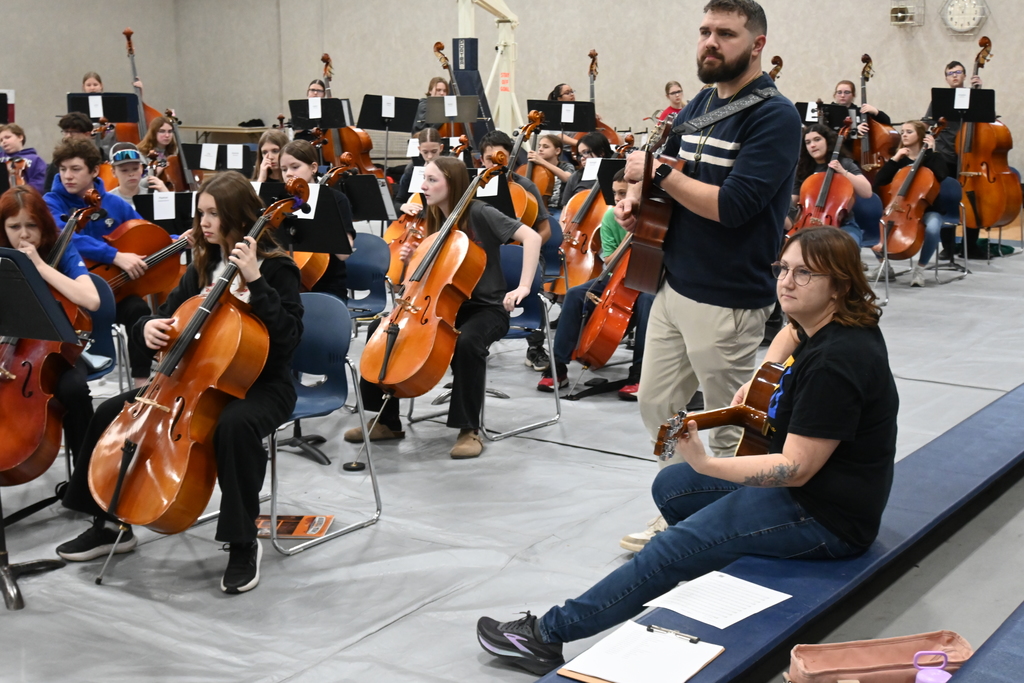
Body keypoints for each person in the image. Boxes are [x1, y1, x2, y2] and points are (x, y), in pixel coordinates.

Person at [477, 226, 899, 676]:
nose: (787, 282)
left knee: (671, 546)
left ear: (839, 285)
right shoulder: (824, 323)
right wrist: (762, 378)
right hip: (810, 493)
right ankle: (717, 561)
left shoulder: (838, 361)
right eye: (784, 269)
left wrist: (708, 462)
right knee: (674, 486)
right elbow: (789, 337)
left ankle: (544, 635)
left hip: (827, 517)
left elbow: (794, 468)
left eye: (805, 274)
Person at [56, 171, 303, 595]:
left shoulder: (277, 267)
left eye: (213, 214)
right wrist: (148, 327)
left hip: (263, 384)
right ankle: (109, 522)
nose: (203, 223)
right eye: (201, 213)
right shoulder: (204, 265)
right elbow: (169, 315)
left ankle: (243, 542)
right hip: (192, 382)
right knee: (109, 411)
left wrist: (256, 281)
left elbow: (289, 339)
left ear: (240, 218)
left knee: (234, 427)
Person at [613, 0, 802, 552]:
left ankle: (724, 524)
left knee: (730, 422)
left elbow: (734, 205)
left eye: (725, 33)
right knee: (658, 405)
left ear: (757, 44)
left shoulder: (774, 115)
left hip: (727, 292)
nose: (710, 42)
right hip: (672, 281)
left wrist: (658, 177)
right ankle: (685, 505)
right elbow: (661, 170)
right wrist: (633, 198)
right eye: (704, 31)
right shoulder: (700, 101)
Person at [344, 156, 541, 459]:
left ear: (454, 183)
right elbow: (429, 279)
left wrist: (524, 286)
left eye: (432, 179)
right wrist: (411, 260)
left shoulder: (480, 212)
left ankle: (468, 429)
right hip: (440, 306)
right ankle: (387, 421)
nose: (424, 186)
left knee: (468, 342)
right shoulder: (433, 217)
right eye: (425, 178)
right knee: (379, 329)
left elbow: (532, 236)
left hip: (485, 308)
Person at [0, 185, 100, 466]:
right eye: (14, 226)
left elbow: (91, 299)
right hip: (8, 349)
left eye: (31, 225)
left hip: (55, 352)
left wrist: (41, 267)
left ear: (43, 224)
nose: (23, 234)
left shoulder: (62, 249)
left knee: (75, 390)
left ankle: (84, 479)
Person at [44, 138, 153, 387]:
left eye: (75, 169)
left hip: (113, 289)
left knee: (139, 310)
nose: (67, 176)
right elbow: (67, 236)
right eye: (62, 169)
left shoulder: (113, 204)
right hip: (73, 293)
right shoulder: (52, 202)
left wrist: (180, 239)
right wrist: (114, 255)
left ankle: (141, 385)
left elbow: (145, 232)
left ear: (94, 171)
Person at [537, 169, 654, 399]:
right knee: (575, 294)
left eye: (624, 193)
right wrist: (631, 237)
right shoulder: (611, 217)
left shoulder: (654, 217)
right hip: (617, 275)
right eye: (615, 194)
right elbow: (609, 260)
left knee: (647, 303)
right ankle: (558, 368)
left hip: (649, 279)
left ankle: (639, 375)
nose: (619, 199)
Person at [479, 130, 552, 371]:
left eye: (501, 157)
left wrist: (522, 250)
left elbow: (545, 231)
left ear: (511, 157)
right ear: (481, 160)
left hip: (522, 253)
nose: (495, 163)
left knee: (534, 287)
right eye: (489, 159)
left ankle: (535, 347)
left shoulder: (525, 185)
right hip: (485, 255)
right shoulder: (477, 186)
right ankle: (477, 339)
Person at [870, 121, 948, 287]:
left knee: (933, 228)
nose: (904, 134)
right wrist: (894, 159)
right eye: (903, 131)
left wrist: (932, 152)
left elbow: (941, 175)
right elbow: (880, 180)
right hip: (900, 208)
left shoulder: (933, 158)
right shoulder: (901, 160)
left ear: (920, 135)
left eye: (909, 132)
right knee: (871, 224)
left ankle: (920, 269)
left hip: (929, 209)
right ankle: (885, 266)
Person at [278, 139, 356, 300]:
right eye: (284, 169)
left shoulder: (337, 200)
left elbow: (344, 254)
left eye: (295, 167)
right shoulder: (280, 201)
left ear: (313, 168)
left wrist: (324, 215)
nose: (288, 174)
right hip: (284, 283)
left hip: (328, 285)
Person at [924, 61, 983, 259]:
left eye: (958, 72)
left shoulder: (975, 97)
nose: (954, 76)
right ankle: (947, 247)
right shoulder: (940, 100)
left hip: (971, 159)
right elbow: (928, 123)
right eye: (950, 73)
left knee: (973, 201)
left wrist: (979, 92)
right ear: (946, 78)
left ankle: (970, 246)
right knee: (945, 202)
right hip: (945, 156)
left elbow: (986, 119)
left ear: (965, 75)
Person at [791, 123, 873, 244]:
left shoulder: (844, 164)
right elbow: (793, 201)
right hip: (807, 224)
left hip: (842, 225)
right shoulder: (802, 170)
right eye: (808, 142)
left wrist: (843, 172)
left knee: (845, 247)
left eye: (817, 140)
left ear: (828, 141)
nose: (812, 145)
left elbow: (867, 192)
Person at [43, 113, 98, 192]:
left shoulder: (101, 159)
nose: (68, 136)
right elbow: (47, 189)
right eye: (66, 131)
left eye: (73, 132)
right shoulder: (58, 161)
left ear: (87, 134)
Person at [525, 133, 576, 218]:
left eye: (545, 147)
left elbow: (567, 178)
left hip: (557, 210)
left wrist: (541, 161)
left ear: (557, 151)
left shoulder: (566, 166)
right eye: (539, 146)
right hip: (537, 208)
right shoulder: (535, 168)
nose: (540, 149)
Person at [394, 127, 444, 209]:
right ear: (419, 149)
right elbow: (398, 202)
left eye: (434, 151)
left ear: (441, 148)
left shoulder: (449, 171)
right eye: (425, 152)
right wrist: (403, 206)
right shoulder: (411, 171)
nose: (430, 156)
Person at [560, 132, 613, 209]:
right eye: (580, 154)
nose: (582, 158)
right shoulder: (576, 176)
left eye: (585, 152)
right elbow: (566, 208)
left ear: (601, 152)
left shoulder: (614, 174)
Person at [106, 142, 169, 208]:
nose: (131, 174)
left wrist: (167, 195)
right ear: (113, 172)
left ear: (141, 168)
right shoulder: (106, 200)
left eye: (135, 169)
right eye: (124, 170)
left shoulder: (156, 196)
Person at [0, 123, 48, 193]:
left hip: (22, 197)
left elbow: (41, 182)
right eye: (1, 140)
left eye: (7, 137)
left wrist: (23, 192)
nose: (4, 141)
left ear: (20, 137)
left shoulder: (35, 159)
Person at [546, 83, 580, 151]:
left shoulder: (580, 111)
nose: (572, 94)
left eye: (572, 91)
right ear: (559, 98)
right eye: (567, 93)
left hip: (581, 149)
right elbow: (559, 135)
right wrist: (581, 143)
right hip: (565, 150)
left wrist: (591, 116)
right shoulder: (553, 114)